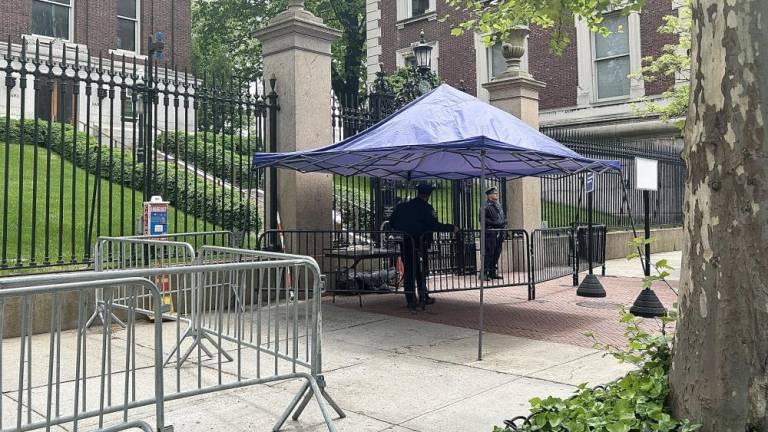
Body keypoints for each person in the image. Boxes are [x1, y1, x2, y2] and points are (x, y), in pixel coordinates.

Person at [389, 184, 458, 312]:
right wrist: (451, 228)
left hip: (405, 242)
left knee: (409, 271)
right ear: (428, 195)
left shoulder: (402, 207)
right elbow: (434, 225)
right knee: (421, 271)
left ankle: (411, 299)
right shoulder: (426, 208)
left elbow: (392, 221)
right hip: (420, 244)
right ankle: (423, 296)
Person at [480, 186, 507, 280]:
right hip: (490, 233)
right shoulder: (485, 206)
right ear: (489, 195)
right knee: (488, 253)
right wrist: (495, 223)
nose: (496, 194)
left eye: (496, 193)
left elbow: (502, 217)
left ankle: (492, 272)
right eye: (494, 193)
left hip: (499, 233)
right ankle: (483, 273)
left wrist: (503, 223)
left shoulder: (498, 205)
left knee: (496, 253)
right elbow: (482, 220)